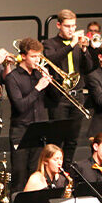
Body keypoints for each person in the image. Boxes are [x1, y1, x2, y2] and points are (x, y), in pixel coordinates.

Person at [42, 9, 94, 166]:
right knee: (56, 139)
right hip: (60, 96)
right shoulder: (49, 44)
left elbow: (89, 67)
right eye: (67, 26)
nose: (71, 29)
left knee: (72, 140)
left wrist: (85, 50)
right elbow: (53, 59)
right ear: (59, 25)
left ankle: (67, 172)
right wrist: (72, 45)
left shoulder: (78, 45)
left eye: (73, 26)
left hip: (77, 95)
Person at [4, 38, 51, 192]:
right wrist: (38, 88)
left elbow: (55, 99)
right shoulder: (12, 78)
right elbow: (20, 106)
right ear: (23, 56)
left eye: (39, 56)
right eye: (33, 56)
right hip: (21, 131)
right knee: (19, 176)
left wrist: (50, 81)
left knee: (36, 175)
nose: (37, 60)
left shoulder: (40, 75)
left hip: (39, 129)